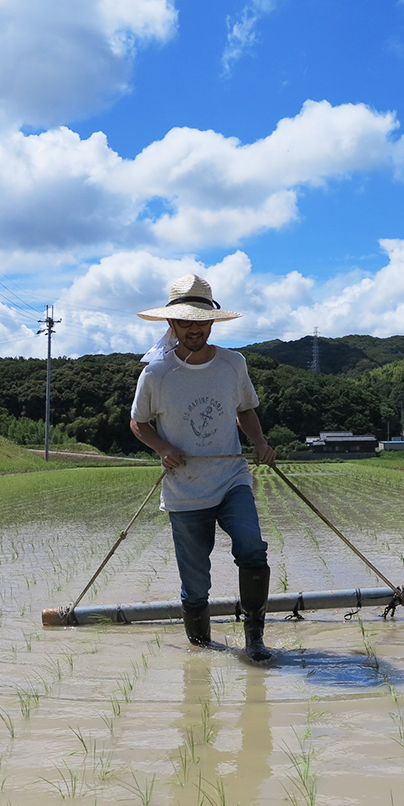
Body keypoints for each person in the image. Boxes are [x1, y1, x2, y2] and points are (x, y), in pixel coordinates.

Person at [129, 274, 276, 661]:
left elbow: (245, 408)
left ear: (212, 322)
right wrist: (162, 447)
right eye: (185, 322)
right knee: (196, 585)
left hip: (231, 480)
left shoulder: (232, 364)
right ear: (171, 324)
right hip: (184, 489)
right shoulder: (156, 373)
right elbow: (138, 423)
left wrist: (259, 441)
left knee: (253, 550)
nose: (194, 329)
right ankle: (200, 651)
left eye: (201, 322)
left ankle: (255, 639)